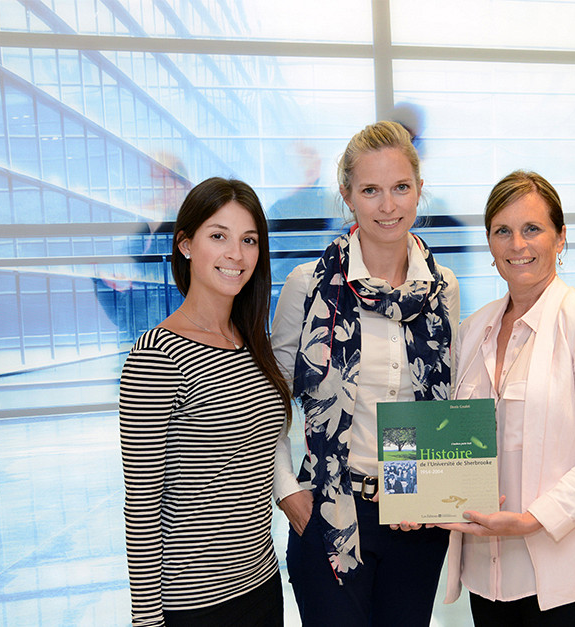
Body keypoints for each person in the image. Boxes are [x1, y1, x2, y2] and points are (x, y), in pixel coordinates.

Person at [270, 120, 459, 626]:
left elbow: (443, 398)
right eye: (371, 190)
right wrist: (289, 491)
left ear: (420, 190)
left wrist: (443, 489)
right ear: (347, 196)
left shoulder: (443, 289)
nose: (388, 205)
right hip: (331, 505)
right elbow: (270, 402)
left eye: (401, 187)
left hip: (415, 503)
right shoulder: (309, 285)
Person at [441, 170, 575, 626]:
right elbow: (452, 438)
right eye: (502, 231)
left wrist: (534, 518)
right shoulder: (474, 331)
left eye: (532, 229)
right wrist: (416, 495)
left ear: (560, 237)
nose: (517, 245)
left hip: (570, 573)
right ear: (489, 244)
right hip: (487, 574)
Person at [119, 177, 292, 626]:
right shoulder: (155, 356)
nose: (236, 254)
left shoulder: (254, 342)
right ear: (186, 245)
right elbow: (141, 504)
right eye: (218, 236)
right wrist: (146, 620)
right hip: (192, 604)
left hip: (261, 583)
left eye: (248, 240)